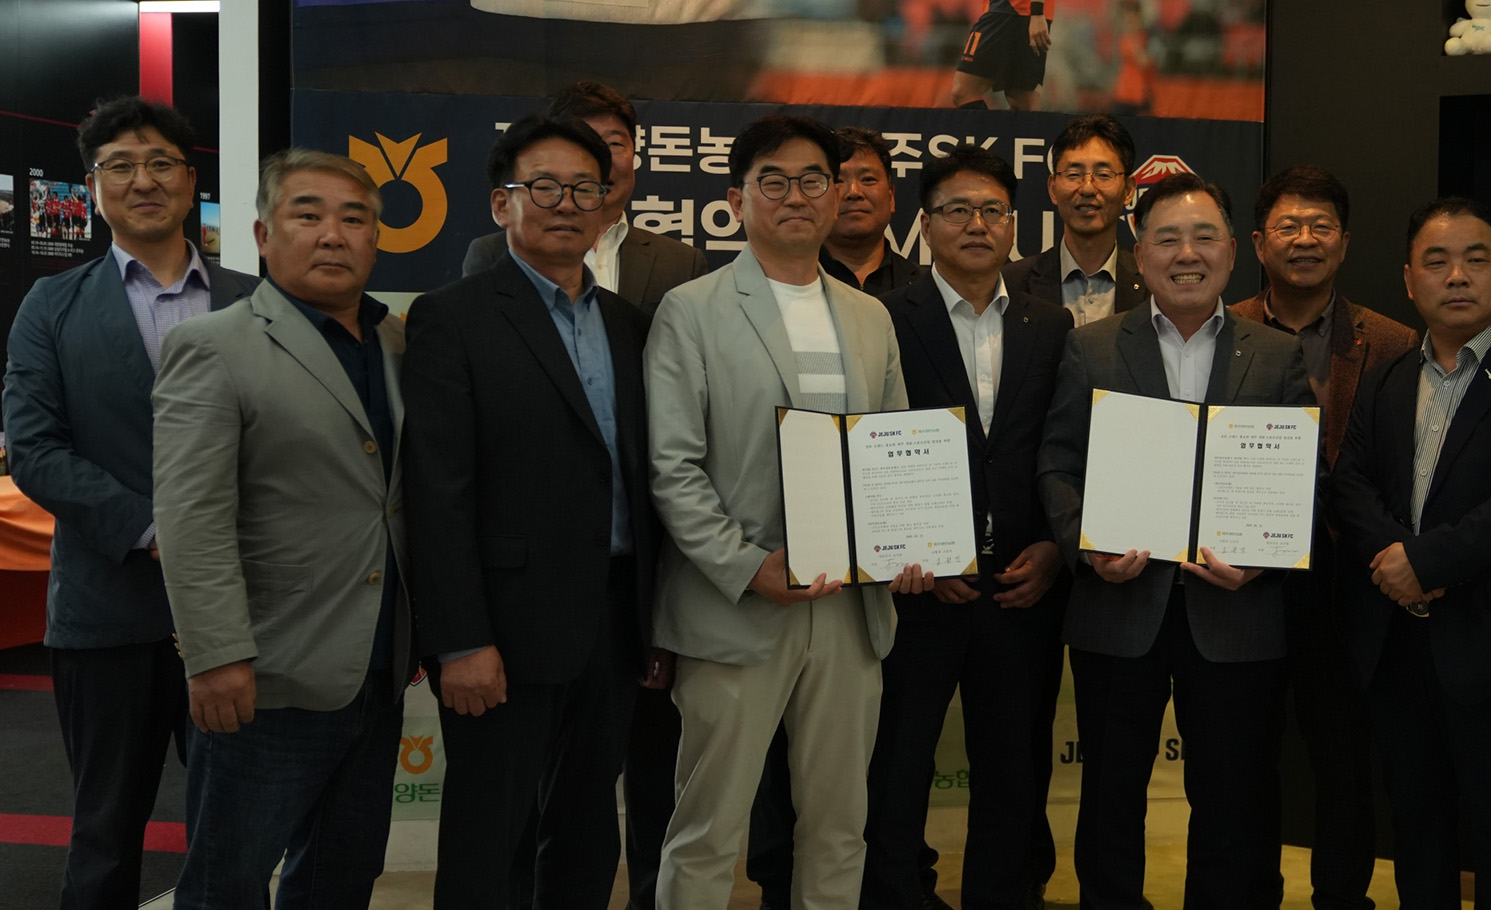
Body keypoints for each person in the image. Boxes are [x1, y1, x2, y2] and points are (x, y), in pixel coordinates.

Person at [646, 114, 920, 910]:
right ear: (736, 199)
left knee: (840, 829)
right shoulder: (691, 309)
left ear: (836, 195)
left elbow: (894, 451)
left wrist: (906, 542)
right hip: (735, 607)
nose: (795, 196)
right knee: (707, 832)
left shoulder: (871, 316)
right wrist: (746, 566)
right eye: (773, 180)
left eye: (812, 180)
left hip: (849, 612)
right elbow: (673, 467)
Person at [1, 97, 256, 910]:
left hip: (242, 611)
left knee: (237, 836)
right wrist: (152, 532)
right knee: (104, 834)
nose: (142, 181)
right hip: (106, 611)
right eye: (120, 166)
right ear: (92, 186)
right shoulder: (52, 306)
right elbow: (34, 449)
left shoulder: (257, 301)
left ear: (190, 179)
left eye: (160, 163)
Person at [403, 114, 657, 910]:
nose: (567, 204)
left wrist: (654, 620)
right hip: (503, 631)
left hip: (614, 622)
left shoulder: (630, 324)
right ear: (500, 203)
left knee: (587, 833)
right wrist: (461, 640)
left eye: (586, 188)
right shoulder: (452, 316)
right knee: (489, 841)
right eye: (544, 186)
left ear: (608, 206)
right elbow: (437, 492)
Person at [1037, 172, 1310, 908]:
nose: (1187, 254)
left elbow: (1303, 477)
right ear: (1140, 252)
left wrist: (1262, 559)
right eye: (1167, 238)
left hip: (1236, 615)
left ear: (1233, 250)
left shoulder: (1277, 353)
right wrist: (1086, 546)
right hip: (1119, 609)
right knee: (1110, 798)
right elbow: (1057, 463)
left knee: (1232, 800)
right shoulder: (1092, 347)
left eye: (1204, 237)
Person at [152, 148, 408, 909]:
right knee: (226, 884)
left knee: (341, 876)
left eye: (353, 218)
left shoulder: (400, 342)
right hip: (264, 673)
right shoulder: (214, 345)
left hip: (377, 666)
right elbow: (191, 516)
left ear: (374, 239)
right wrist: (216, 655)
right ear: (264, 235)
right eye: (308, 214)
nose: (332, 234)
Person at [1332, 197, 1491, 909]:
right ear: (1409, 280)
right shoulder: (1386, 378)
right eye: (1436, 261)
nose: (1457, 276)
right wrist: (1394, 557)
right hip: (1397, 650)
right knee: (1417, 831)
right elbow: (1349, 482)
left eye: (1476, 259)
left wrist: (1426, 563)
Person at [865, 144, 1072, 910]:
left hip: (1023, 587)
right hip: (918, 591)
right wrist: (913, 551)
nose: (977, 224)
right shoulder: (885, 318)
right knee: (898, 766)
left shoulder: (1052, 325)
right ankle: (894, 897)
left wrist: (1054, 549)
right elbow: (871, 442)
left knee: (1013, 769)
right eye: (957, 210)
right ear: (926, 225)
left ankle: (1001, 895)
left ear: (1013, 224)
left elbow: (1061, 446)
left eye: (992, 210)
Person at [1232, 164, 1418, 910]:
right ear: (1258, 242)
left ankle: (1344, 898)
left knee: (1343, 763)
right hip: (1242, 585)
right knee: (1246, 761)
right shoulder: (1222, 327)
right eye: (1288, 226)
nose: (1304, 240)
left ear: (1344, 242)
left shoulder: (1394, 342)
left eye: (1321, 226)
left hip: (1347, 588)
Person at [463, 81, 708, 308]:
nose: (602, 160)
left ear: (635, 153)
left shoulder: (681, 263)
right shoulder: (494, 252)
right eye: (585, 144)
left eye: (615, 144)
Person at [1003, 115, 1147, 326]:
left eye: (1103, 174)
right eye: (1073, 174)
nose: (1087, 188)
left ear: (1128, 190)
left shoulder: (1153, 283)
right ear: (1053, 188)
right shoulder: (1010, 284)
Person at [819, 126, 922, 295]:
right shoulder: (790, 284)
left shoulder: (924, 288)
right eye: (838, 180)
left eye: (868, 179)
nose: (854, 192)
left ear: (891, 197)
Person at [952, 0, 1052, 110]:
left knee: (963, 92)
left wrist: (1037, 12)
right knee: (1022, 102)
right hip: (1018, 12)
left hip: (1011, 9)